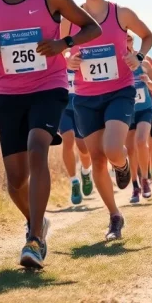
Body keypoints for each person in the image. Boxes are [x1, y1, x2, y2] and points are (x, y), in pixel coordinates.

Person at [0, 0, 101, 269]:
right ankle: (38, 222)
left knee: (37, 148)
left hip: (49, 86)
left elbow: (92, 29)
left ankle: (34, 239)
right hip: (9, 92)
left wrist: (65, 43)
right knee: (15, 181)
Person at [66, 0, 152, 240]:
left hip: (119, 91)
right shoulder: (70, 19)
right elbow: (56, 48)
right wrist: (69, 60)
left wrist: (137, 56)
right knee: (97, 158)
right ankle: (115, 216)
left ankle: (124, 165)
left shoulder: (121, 13)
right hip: (85, 96)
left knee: (113, 148)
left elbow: (147, 36)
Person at [126, 34, 152, 202]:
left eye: (129, 39)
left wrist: (147, 82)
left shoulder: (144, 63)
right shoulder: (117, 65)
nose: (126, 43)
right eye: (123, 40)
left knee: (141, 141)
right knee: (130, 149)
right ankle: (135, 185)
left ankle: (145, 179)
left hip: (145, 108)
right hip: (126, 111)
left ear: (133, 43)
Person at [58, 65, 94, 205]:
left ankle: (86, 172)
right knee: (68, 140)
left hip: (80, 106)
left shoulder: (81, 55)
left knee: (84, 149)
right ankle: (74, 181)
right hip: (63, 108)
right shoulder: (59, 55)